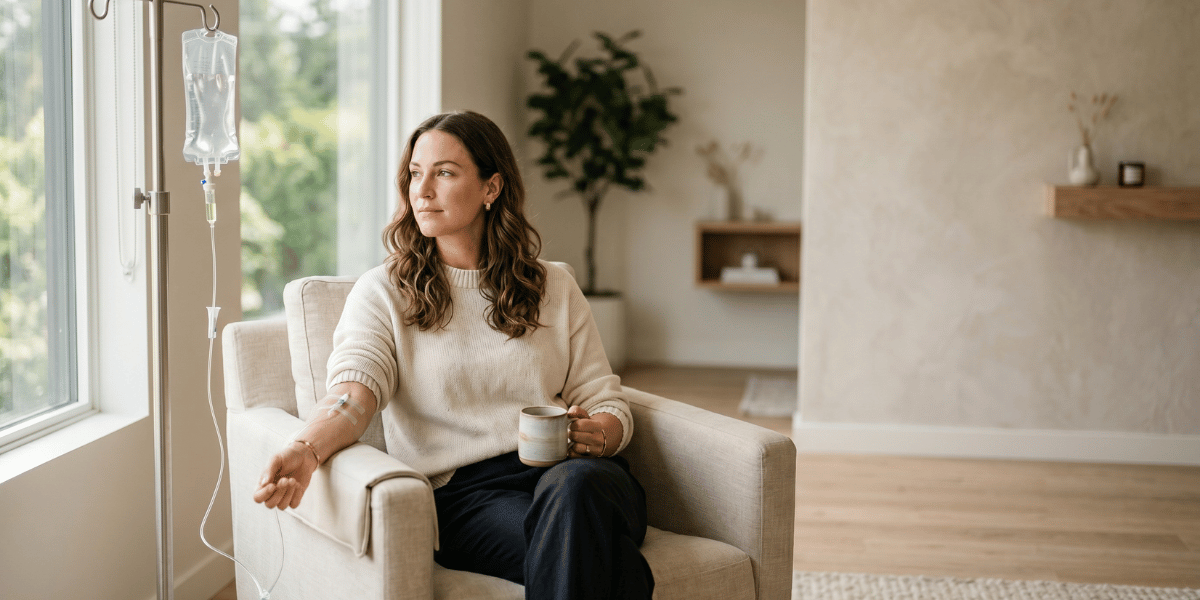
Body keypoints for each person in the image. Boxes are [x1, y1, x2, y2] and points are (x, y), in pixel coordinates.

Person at [252, 111, 654, 600]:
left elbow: (605, 399)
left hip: (579, 477)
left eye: (443, 173)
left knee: (575, 491)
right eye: (415, 174)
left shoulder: (555, 286)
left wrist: (599, 434)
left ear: (492, 187)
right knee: (605, 558)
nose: (422, 191)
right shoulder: (384, 293)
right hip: (468, 500)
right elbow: (354, 395)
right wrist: (307, 447)